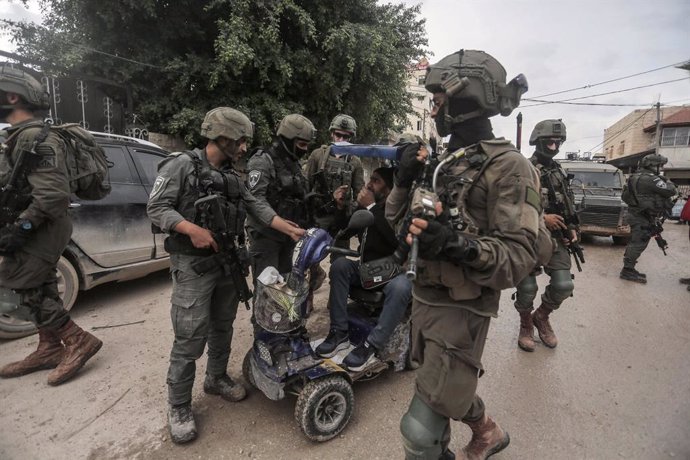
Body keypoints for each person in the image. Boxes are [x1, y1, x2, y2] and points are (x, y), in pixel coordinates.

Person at [386, 49, 537, 459]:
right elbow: (397, 222)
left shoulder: (509, 166)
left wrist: (455, 245)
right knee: (440, 387)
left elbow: (519, 257)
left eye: (437, 101)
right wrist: (403, 182)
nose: (433, 109)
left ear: (462, 98)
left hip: (462, 308)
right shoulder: (444, 161)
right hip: (424, 297)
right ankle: (486, 431)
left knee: (419, 431)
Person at [147, 107, 303, 444]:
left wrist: (284, 226)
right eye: (242, 140)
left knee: (223, 326)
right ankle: (179, 406)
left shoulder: (234, 174)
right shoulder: (182, 166)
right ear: (223, 137)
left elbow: (255, 205)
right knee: (189, 336)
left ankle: (216, 378)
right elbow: (157, 207)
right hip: (193, 264)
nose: (245, 147)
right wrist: (191, 229)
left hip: (227, 262)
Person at [0, 64, 102, 386]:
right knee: (41, 283)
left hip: (42, 226)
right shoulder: (18, 136)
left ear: (12, 96)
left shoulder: (35, 137)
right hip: (35, 224)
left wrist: (20, 231)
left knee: (23, 284)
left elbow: (52, 196)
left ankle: (77, 340)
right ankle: (48, 347)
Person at [314, 167, 412, 371]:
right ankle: (339, 332)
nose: (368, 184)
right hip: (367, 270)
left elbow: (396, 240)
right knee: (341, 265)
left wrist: (372, 207)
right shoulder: (367, 208)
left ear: (389, 187)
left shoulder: (401, 211)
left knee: (402, 287)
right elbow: (343, 231)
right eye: (370, 179)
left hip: (392, 271)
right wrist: (340, 207)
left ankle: (372, 345)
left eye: (375, 181)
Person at [513, 119, 576, 351]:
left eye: (558, 141)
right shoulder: (525, 168)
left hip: (557, 238)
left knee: (563, 285)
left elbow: (567, 203)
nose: (554, 145)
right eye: (549, 141)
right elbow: (513, 206)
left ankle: (541, 316)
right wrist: (543, 219)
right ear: (538, 141)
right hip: (530, 236)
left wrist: (572, 228)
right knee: (527, 288)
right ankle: (526, 323)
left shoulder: (558, 170)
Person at [246, 114, 315, 283]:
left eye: (307, 145)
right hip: (266, 239)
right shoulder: (262, 160)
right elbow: (255, 201)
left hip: (288, 239)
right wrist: (286, 228)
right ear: (287, 139)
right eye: (301, 144)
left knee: (287, 293)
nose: (304, 150)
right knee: (268, 295)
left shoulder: (294, 164)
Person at [304, 114, 365, 255]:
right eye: (338, 135)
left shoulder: (355, 161)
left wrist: (348, 210)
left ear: (351, 137)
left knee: (339, 260)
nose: (341, 140)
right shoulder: (318, 155)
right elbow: (306, 185)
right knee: (310, 255)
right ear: (332, 133)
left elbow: (359, 194)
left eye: (346, 137)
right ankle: (317, 275)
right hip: (318, 216)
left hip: (341, 218)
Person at [620, 154, 677, 283]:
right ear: (652, 165)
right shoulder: (651, 179)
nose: (660, 168)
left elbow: (625, 197)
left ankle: (629, 268)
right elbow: (671, 191)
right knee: (638, 242)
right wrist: (666, 179)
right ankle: (627, 270)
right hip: (641, 216)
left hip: (637, 214)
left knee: (637, 241)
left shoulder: (634, 177)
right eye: (659, 166)